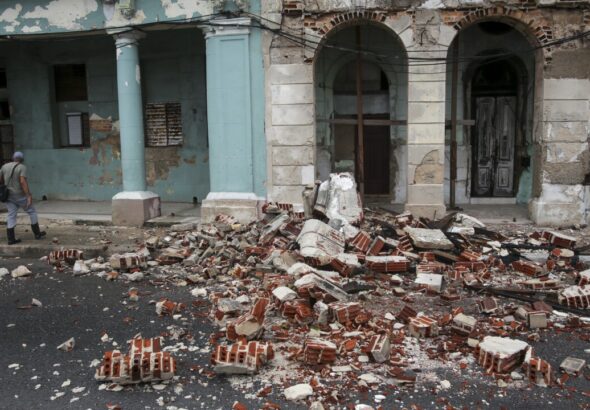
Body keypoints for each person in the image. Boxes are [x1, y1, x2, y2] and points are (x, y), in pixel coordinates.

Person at [0, 151, 46, 245]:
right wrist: (28, 195)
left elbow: (1, 179)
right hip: (19, 195)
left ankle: (11, 239)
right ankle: (37, 234)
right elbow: (22, 181)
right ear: (22, 159)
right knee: (31, 211)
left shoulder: (4, 166)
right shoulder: (22, 167)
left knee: (11, 215)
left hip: (8, 195)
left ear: (13, 158)